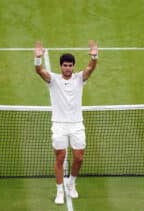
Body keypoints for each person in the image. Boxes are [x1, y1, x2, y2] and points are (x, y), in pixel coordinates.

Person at [34, 40, 98, 204]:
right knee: (60, 157)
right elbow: (39, 71)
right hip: (59, 125)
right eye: (65, 65)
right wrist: (38, 58)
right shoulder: (53, 79)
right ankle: (59, 191)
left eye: (70, 65)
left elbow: (90, 69)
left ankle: (71, 183)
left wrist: (94, 56)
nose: (68, 68)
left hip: (77, 124)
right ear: (61, 66)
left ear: (73, 66)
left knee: (79, 157)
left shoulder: (79, 79)